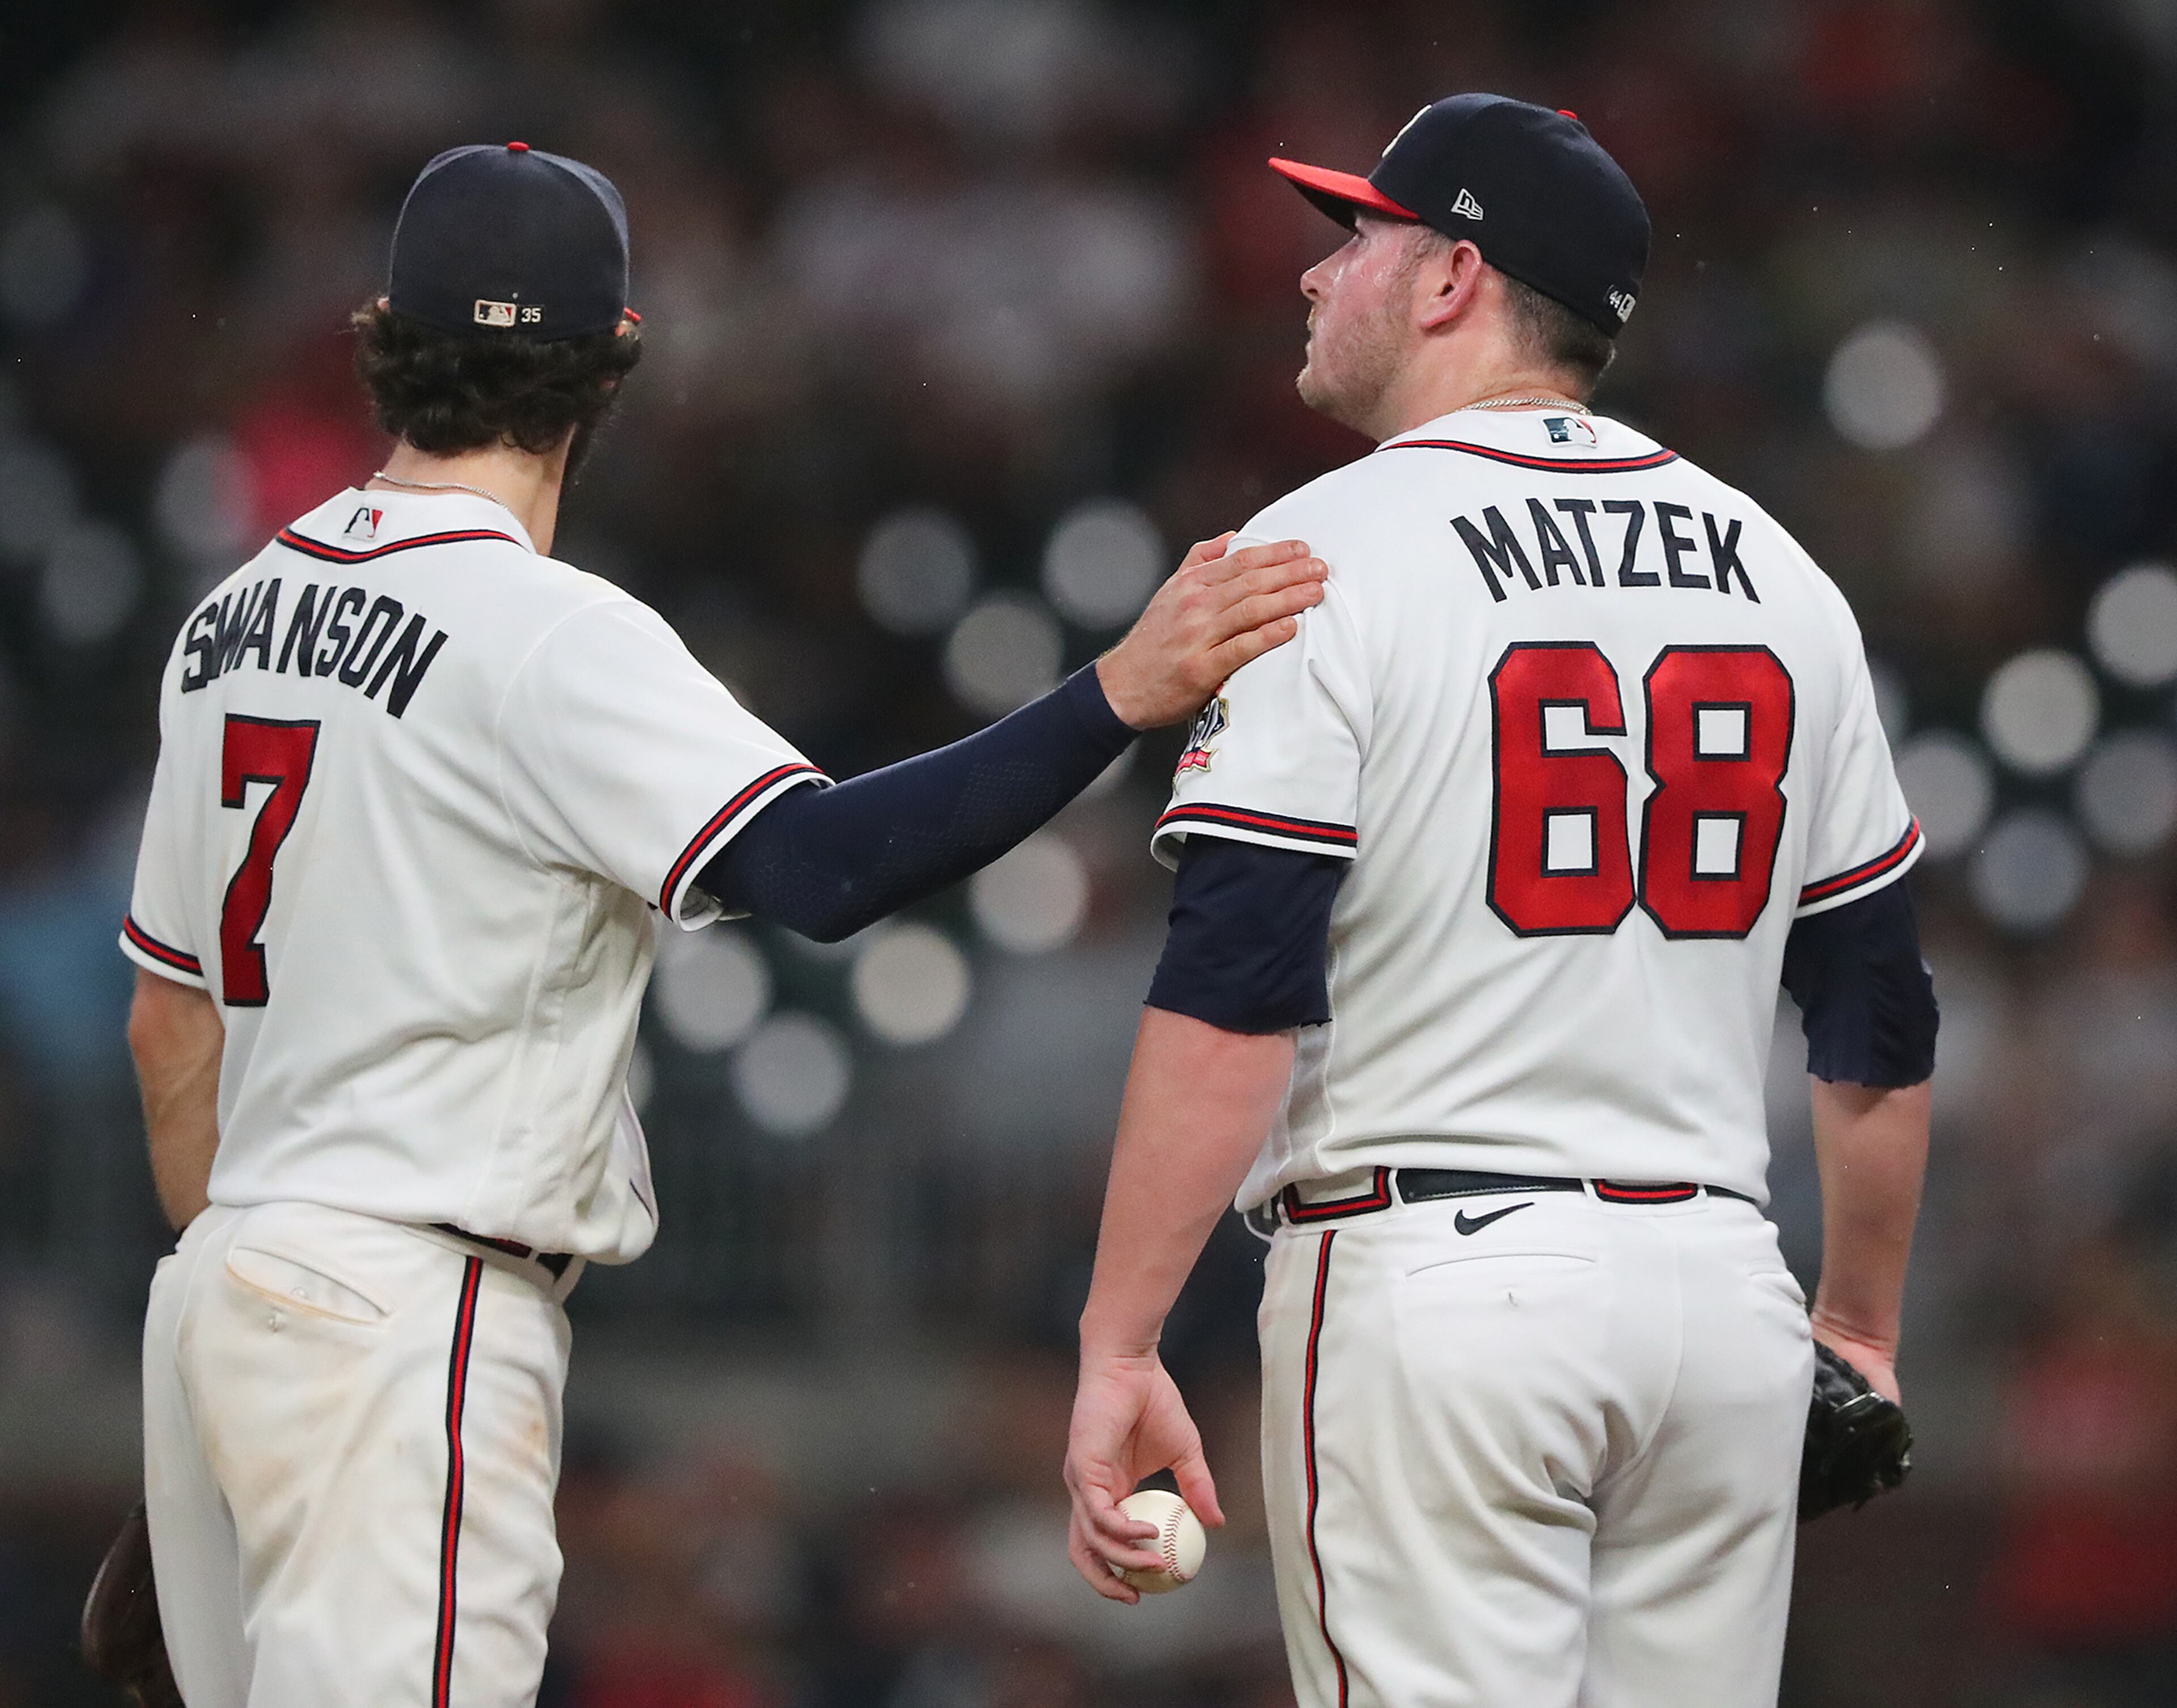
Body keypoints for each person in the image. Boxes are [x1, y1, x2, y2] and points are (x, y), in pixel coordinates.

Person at [118, 141, 1325, 1708]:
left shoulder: (235, 614)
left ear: (378, 333)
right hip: (402, 1312)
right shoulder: (544, 632)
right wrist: (1119, 692)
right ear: (613, 359)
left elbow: (170, 1026)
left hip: (228, 1282)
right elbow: (822, 870)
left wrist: (242, 1357)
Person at [1060, 95, 1937, 1708]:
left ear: (1453, 280)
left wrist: (1123, 1342)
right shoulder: (1780, 569)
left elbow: (1235, 992)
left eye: (1359, 239)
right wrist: (1858, 1332)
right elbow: (1878, 1020)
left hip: (1439, 1284)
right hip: (1720, 1301)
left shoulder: (1322, 549)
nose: (1320, 278)